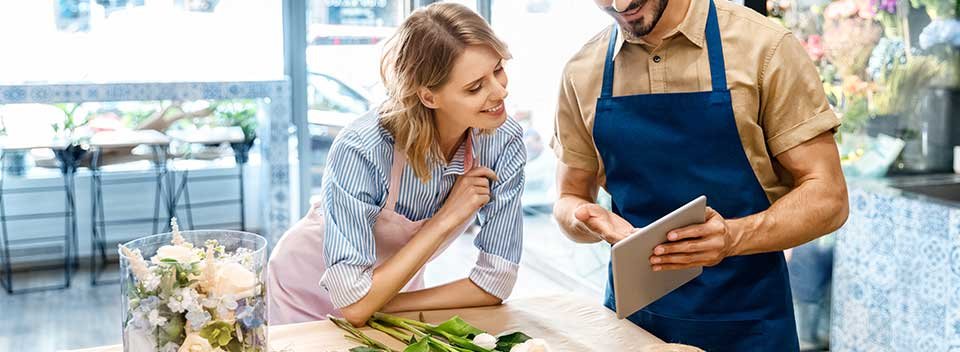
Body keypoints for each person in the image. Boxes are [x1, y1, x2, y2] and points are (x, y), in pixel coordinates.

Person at [551, 0, 849, 350]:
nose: (619, 5)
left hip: (749, 326)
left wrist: (733, 237)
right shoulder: (582, 71)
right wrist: (584, 218)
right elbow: (569, 199)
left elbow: (829, 197)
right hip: (633, 329)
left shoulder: (764, 48)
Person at [268, 2, 526, 327]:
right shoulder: (363, 148)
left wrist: (381, 301)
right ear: (429, 97)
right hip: (302, 287)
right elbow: (354, 302)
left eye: (498, 69)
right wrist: (446, 218)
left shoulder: (502, 140)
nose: (500, 91)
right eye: (475, 87)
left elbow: (495, 281)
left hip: (389, 292)